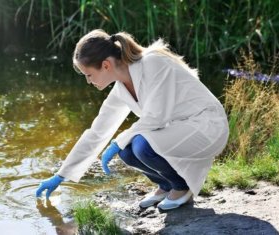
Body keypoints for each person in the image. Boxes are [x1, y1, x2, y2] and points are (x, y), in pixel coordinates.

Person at [35, 29, 229, 210]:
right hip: (180, 130)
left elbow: (156, 118)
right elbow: (97, 132)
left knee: (140, 144)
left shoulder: (153, 63)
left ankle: (181, 186)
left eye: (89, 75)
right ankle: (165, 184)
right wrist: (61, 175)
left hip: (207, 126)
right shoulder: (121, 89)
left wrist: (117, 142)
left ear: (106, 65)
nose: (88, 81)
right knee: (127, 151)